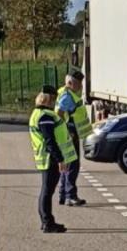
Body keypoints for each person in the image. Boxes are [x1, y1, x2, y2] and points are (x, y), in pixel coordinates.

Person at [30, 86, 79, 233]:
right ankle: (47, 223)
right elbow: (50, 140)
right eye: (54, 99)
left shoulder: (38, 113)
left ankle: (46, 221)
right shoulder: (45, 116)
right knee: (47, 191)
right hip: (50, 158)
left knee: (46, 190)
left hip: (46, 157)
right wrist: (60, 159)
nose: (55, 102)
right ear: (49, 99)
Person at [56, 71, 92, 206]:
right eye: (78, 83)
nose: (81, 86)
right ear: (70, 83)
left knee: (68, 165)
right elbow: (59, 113)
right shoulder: (67, 96)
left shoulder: (65, 93)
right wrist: (65, 130)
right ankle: (70, 196)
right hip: (69, 133)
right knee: (73, 165)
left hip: (68, 133)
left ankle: (63, 194)